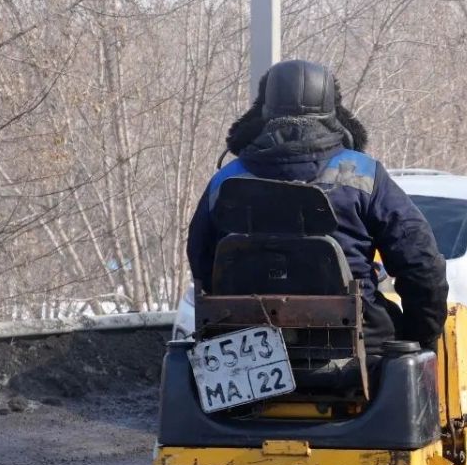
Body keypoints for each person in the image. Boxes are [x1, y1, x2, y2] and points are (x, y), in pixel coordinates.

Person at [188, 59, 448, 349]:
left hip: (246, 343)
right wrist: (420, 338)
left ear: (264, 111)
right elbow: (422, 264)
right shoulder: (364, 174)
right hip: (354, 343)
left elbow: (202, 265)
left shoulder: (225, 180)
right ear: (333, 113)